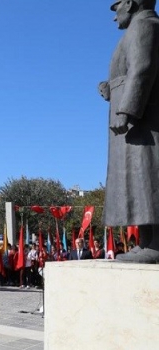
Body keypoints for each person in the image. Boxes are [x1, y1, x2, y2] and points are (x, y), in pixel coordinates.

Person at [100, 0, 159, 263]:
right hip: (135, 121)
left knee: (148, 178)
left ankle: (156, 244)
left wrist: (127, 110)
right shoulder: (135, 29)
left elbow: (143, 68)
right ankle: (147, 241)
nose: (114, 14)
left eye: (116, 5)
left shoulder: (145, 24)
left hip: (143, 121)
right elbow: (131, 72)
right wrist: (110, 88)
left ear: (131, 3)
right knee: (138, 184)